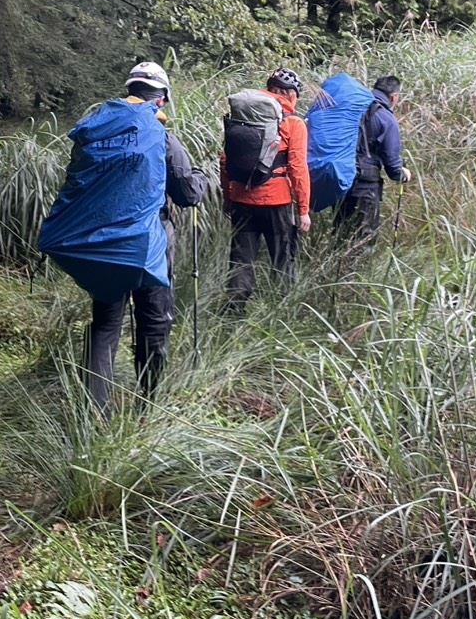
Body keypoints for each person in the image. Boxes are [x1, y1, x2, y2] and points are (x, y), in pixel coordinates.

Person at [83, 61, 208, 413]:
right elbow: (187, 194)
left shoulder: (103, 132)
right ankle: (148, 406)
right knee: (154, 324)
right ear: (162, 99)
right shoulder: (163, 138)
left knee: (105, 327)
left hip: (104, 245)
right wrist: (200, 177)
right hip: (151, 248)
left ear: (130, 92)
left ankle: (95, 413)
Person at [222, 67, 310, 311]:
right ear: (291, 95)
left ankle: (232, 314)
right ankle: (283, 312)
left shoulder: (241, 115)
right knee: (283, 260)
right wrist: (303, 210)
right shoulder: (293, 123)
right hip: (277, 203)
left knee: (241, 262)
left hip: (241, 201)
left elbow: (225, 160)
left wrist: (228, 197)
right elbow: (297, 168)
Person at [337, 74, 412, 246]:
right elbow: (393, 167)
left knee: (340, 234)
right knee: (363, 239)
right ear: (394, 97)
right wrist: (403, 174)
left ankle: (335, 270)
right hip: (365, 185)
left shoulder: (353, 109)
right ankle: (359, 271)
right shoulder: (386, 118)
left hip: (341, 180)